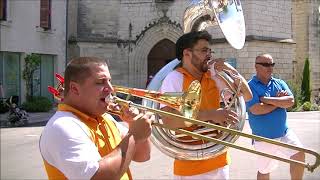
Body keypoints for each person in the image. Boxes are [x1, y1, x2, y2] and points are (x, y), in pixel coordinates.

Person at [39, 57, 154, 180]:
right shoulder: (62, 126)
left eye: (109, 81)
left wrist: (133, 124)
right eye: (100, 82)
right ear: (74, 89)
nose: (110, 88)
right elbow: (97, 177)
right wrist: (134, 136)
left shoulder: (105, 118)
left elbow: (142, 155)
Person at [159, 30, 252, 179]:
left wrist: (229, 68)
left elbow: (247, 95)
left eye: (210, 51)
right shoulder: (174, 78)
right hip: (191, 166)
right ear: (187, 53)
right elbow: (169, 121)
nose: (209, 55)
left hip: (219, 160)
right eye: (203, 50)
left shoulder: (214, 77)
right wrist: (213, 115)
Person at [245, 54, 305, 180]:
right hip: (263, 137)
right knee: (264, 170)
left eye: (272, 64)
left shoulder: (279, 82)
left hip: (284, 133)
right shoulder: (250, 86)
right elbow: (256, 109)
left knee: (299, 154)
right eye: (266, 64)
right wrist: (278, 102)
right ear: (256, 66)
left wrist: (267, 100)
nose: (270, 67)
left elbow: (290, 101)